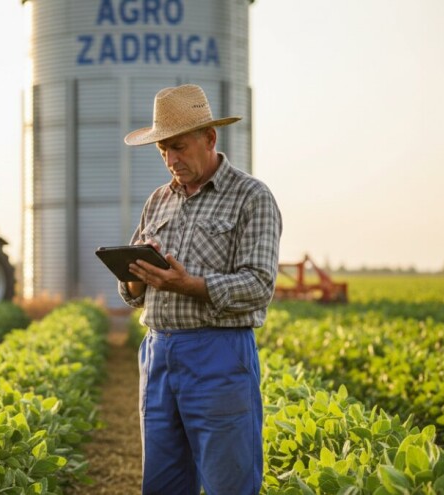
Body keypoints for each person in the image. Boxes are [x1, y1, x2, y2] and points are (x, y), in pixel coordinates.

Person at [118, 84, 282, 495]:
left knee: (229, 483)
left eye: (179, 147)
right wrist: (137, 272)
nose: (171, 160)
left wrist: (189, 285)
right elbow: (133, 293)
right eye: (163, 152)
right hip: (157, 355)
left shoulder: (251, 197)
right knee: (163, 484)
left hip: (219, 356)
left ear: (210, 138)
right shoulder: (159, 200)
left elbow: (259, 285)